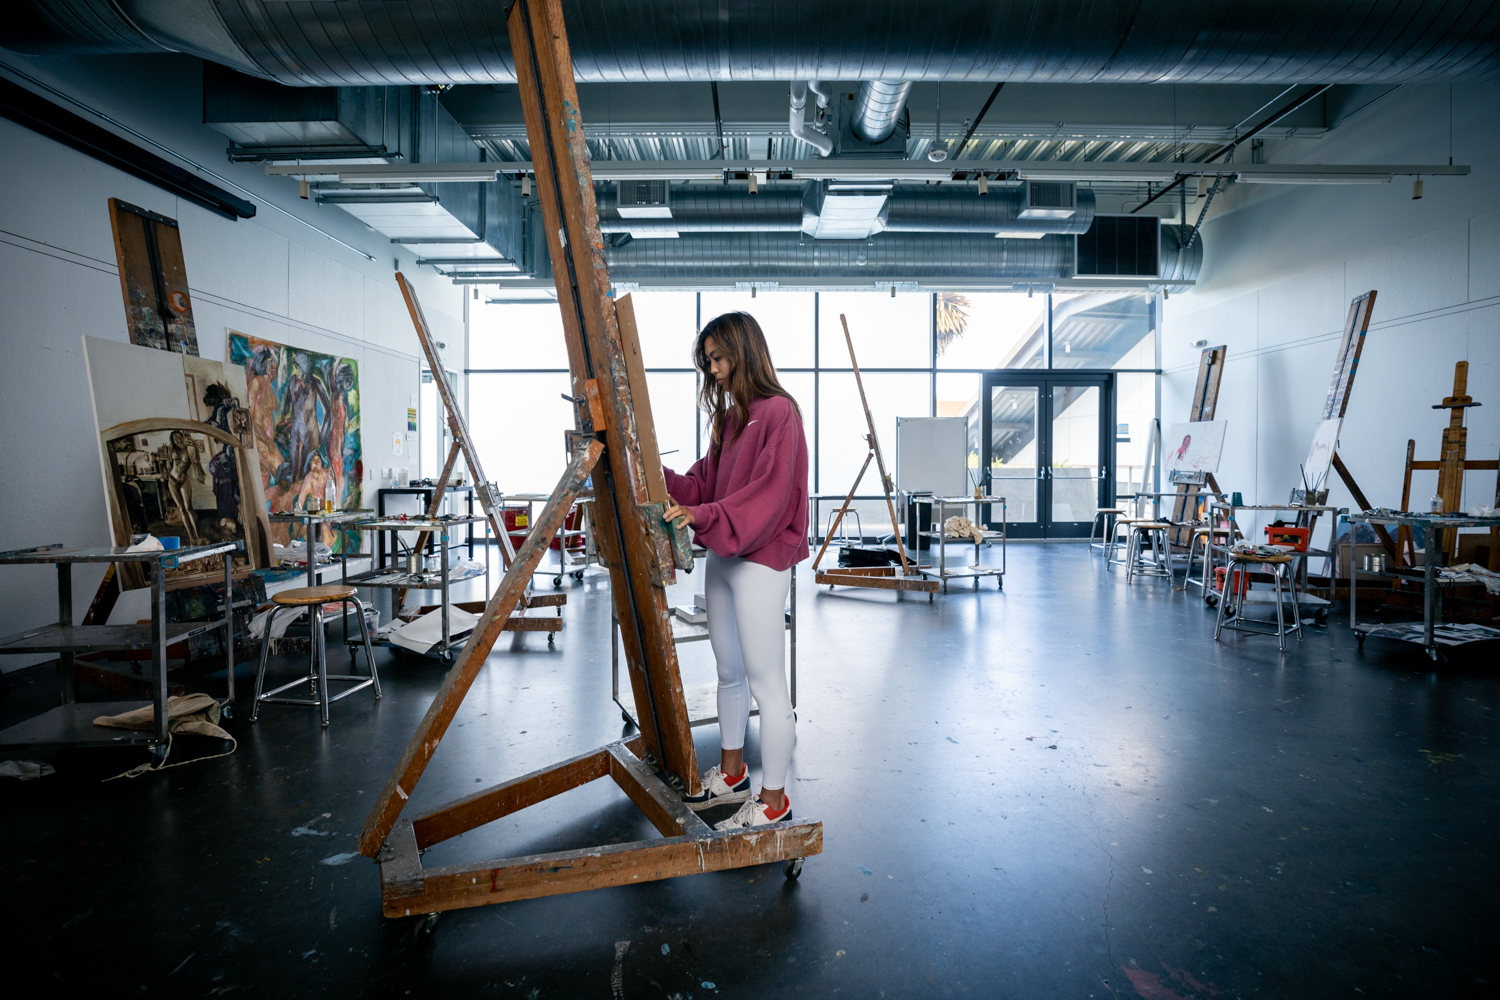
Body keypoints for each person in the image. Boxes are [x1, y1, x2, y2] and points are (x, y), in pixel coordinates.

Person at [662, 312, 809, 830]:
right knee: (728, 672)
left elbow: (766, 499)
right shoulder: (729, 421)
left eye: (720, 358)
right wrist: (650, 473)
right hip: (725, 557)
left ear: (744, 352)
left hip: (762, 560)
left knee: (768, 685)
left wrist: (703, 515)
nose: (714, 371)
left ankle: (774, 802)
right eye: (708, 362)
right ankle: (733, 774)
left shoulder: (780, 413)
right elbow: (703, 487)